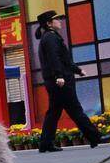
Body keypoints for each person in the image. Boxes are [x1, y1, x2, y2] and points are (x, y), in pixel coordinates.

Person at [36, 10, 101, 152]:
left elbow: (64, 60)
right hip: (60, 82)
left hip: (57, 81)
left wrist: (78, 70)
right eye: (56, 19)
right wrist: (59, 76)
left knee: (54, 112)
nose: (59, 21)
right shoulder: (50, 38)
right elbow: (54, 59)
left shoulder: (50, 37)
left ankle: (46, 143)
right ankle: (95, 137)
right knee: (75, 110)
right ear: (49, 24)